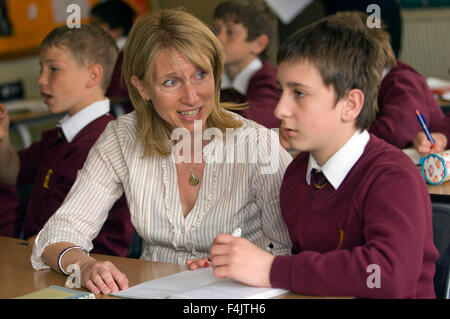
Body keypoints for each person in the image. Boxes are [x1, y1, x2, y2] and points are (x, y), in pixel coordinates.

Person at [30, 9, 292, 295]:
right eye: (171, 82)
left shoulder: (258, 144)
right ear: (142, 87)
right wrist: (84, 265)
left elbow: (289, 251)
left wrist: (241, 263)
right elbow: (58, 234)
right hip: (150, 292)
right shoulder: (121, 138)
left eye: (201, 75)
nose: (192, 96)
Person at [197, 13, 439, 298]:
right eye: (280, 91)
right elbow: (305, 266)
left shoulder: (391, 176)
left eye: (299, 93)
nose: (279, 110)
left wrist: (271, 269)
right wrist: (234, 265)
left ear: (350, 105)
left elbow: (387, 275)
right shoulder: (297, 173)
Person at [0, 24, 134, 256]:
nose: (41, 79)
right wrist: (2, 139)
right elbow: (14, 173)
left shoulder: (99, 141)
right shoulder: (60, 136)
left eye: (54, 69)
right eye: (40, 69)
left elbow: (51, 236)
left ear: (93, 75)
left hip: (87, 267)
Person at [213, 0, 281, 129]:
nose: (217, 38)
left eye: (230, 32)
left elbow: (249, 128)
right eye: (216, 30)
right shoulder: (213, 77)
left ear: (259, 44)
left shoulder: (271, 82)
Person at [90, 0, 136, 114]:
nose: (91, 31)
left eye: (96, 25)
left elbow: (118, 95)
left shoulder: (130, 55)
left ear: (117, 30)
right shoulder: (110, 54)